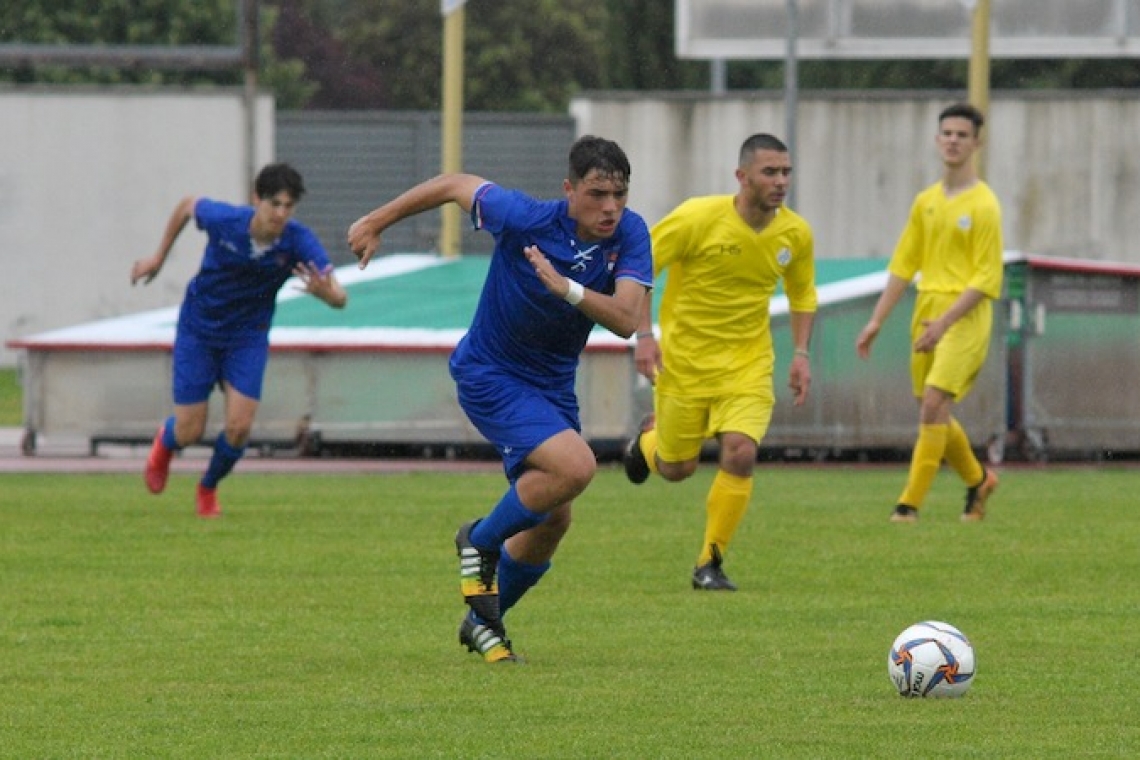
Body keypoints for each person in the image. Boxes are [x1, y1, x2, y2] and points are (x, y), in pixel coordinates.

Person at [347, 136, 652, 663]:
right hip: (491, 373)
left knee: (554, 519)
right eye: (598, 194)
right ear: (570, 189)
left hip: (552, 386)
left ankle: (482, 624)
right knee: (576, 467)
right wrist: (376, 221)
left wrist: (568, 290)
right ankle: (480, 539)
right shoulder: (524, 217)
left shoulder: (631, 233)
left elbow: (627, 319)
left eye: (619, 195)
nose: (610, 208)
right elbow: (452, 185)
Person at [622, 133, 817, 591]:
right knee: (676, 468)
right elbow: (640, 268)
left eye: (786, 172)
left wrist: (802, 354)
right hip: (684, 363)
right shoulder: (697, 217)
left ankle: (709, 563)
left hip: (748, 364)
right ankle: (645, 444)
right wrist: (645, 336)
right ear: (742, 175)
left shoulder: (795, 234)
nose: (780, 181)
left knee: (741, 450)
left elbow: (803, 294)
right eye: (770, 172)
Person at [131, 163, 347, 518]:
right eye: (274, 204)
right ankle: (165, 443)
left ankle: (208, 486)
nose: (280, 213)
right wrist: (158, 258)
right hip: (199, 329)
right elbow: (188, 205)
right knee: (189, 430)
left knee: (239, 427)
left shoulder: (297, 241)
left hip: (248, 336)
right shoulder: (225, 220)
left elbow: (339, 296)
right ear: (256, 199)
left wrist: (328, 296)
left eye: (288, 206)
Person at [855, 102, 1003, 523]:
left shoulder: (984, 205)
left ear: (977, 143)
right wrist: (876, 320)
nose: (953, 141)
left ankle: (908, 505)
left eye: (962, 134)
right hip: (927, 310)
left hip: (964, 317)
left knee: (934, 402)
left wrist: (944, 324)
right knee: (932, 407)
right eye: (947, 134)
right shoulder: (926, 202)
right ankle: (978, 481)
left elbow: (985, 279)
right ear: (938, 141)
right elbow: (904, 265)